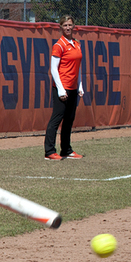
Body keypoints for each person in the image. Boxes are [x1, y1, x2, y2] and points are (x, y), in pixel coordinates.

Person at [44, 15, 84, 160]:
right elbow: (54, 69)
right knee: (56, 118)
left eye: (70, 25)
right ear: (61, 27)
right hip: (62, 87)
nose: (68, 28)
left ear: (74, 26)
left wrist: (80, 85)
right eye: (65, 25)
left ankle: (66, 150)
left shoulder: (76, 44)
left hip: (73, 88)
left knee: (69, 119)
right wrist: (61, 89)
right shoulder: (59, 45)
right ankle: (49, 151)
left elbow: (77, 67)